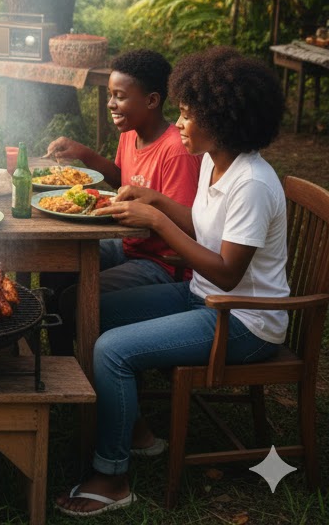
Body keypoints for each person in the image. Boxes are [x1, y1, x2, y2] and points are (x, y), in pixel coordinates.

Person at [56, 48, 288, 516]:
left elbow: (226, 270)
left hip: (241, 319)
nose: (178, 124)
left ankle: (112, 477)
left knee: (112, 349)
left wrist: (158, 223)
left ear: (222, 120)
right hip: (205, 296)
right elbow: (203, 226)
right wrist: (157, 201)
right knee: (86, 310)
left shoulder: (253, 184)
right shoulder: (212, 160)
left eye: (187, 115)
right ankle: (134, 431)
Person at [43, 49, 201, 354]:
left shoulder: (175, 150)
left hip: (162, 264)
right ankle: (59, 362)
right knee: (55, 264)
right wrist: (84, 153)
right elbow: (122, 180)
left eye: (119, 96)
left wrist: (152, 208)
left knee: (73, 297)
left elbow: (191, 224)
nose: (111, 104)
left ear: (152, 101)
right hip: (128, 245)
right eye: (110, 95)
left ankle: (75, 367)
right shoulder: (131, 133)